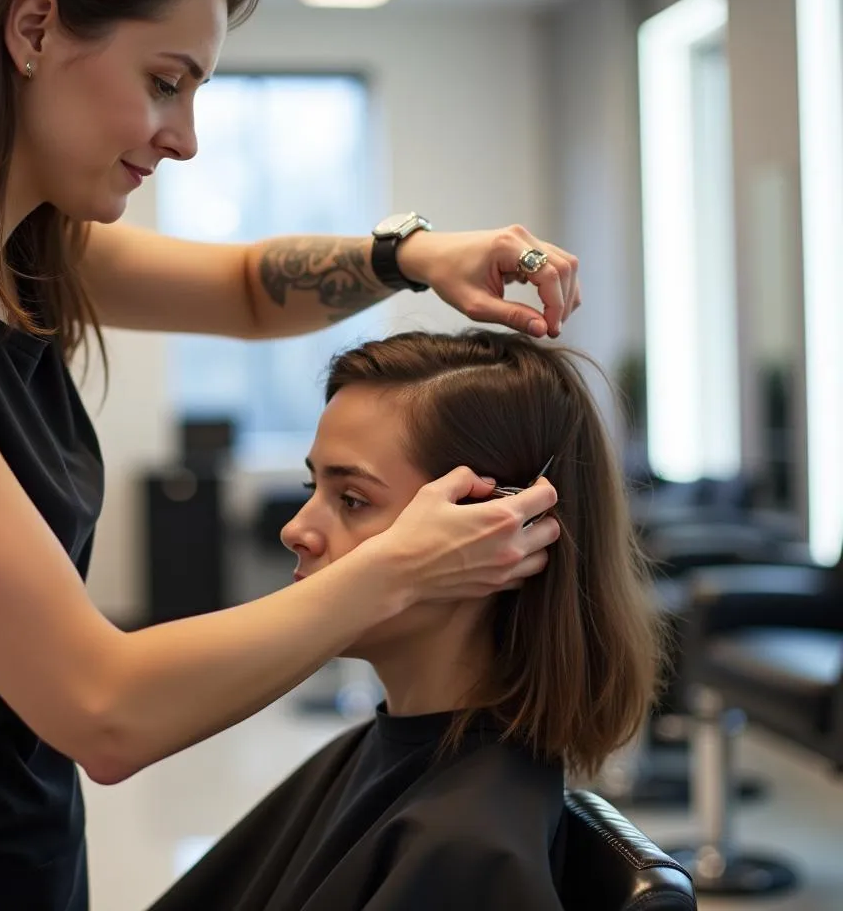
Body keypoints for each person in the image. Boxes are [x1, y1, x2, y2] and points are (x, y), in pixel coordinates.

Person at [0, 0, 581, 909]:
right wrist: (394, 567)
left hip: (11, 847)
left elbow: (244, 292)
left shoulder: (21, 252)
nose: (183, 137)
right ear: (34, 27)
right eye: (164, 82)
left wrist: (410, 254)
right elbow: (102, 708)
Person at [148, 330, 664, 911]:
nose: (295, 528)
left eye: (352, 499)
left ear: (500, 531)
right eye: (310, 485)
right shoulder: (380, 754)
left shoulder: (469, 852)